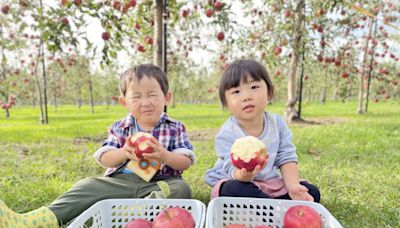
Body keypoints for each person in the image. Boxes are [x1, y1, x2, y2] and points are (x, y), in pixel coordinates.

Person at [0, 64, 196, 227]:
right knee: (87, 185)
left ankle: (130, 215)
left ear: (167, 97)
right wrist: (123, 153)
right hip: (120, 181)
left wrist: (166, 157)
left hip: (158, 182)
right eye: (136, 97)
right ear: (123, 102)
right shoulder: (120, 127)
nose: (145, 102)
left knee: (181, 189)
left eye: (153, 95)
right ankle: (38, 219)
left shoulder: (175, 127)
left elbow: (185, 161)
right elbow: (104, 157)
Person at [204, 59, 320, 202]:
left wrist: (293, 186)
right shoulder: (227, 133)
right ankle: (274, 206)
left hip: (269, 183)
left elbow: (286, 157)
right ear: (226, 104)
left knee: (311, 192)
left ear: (269, 93)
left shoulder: (277, 124)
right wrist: (243, 175)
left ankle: (266, 205)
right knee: (233, 189)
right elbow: (229, 167)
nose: (246, 97)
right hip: (237, 179)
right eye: (236, 91)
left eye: (254, 87)